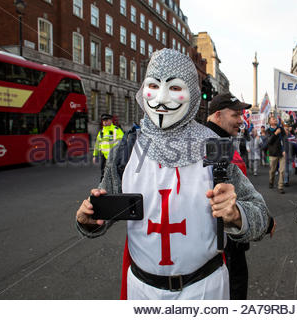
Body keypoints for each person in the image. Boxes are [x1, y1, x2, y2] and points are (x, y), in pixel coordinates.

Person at [75, 49, 271, 300]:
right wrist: (88, 220)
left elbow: (260, 216)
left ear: (192, 94)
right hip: (142, 292)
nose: (161, 98)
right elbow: (104, 215)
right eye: (154, 86)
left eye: (174, 88)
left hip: (205, 290)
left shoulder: (215, 146)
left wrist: (236, 214)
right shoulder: (125, 150)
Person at [206, 93, 275, 300]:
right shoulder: (212, 144)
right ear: (218, 115)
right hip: (223, 245)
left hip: (230, 236)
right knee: (233, 291)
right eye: (236, 115)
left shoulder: (222, 140)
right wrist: (264, 220)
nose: (241, 120)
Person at [92, 114, 124, 182]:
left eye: (106, 121)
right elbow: (97, 144)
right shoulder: (101, 132)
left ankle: (116, 187)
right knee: (103, 172)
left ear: (111, 120)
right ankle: (102, 186)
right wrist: (95, 155)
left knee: (114, 172)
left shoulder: (116, 130)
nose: (105, 123)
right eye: (103, 121)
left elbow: (122, 143)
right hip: (104, 156)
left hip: (114, 156)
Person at [266, 116, 286, 194]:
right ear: (269, 122)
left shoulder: (281, 129)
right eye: (273, 119)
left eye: (275, 119)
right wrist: (275, 133)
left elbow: (285, 140)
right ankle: (271, 182)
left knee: (282, 171)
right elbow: (269, 141)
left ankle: (280, 186)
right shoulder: (268, 131)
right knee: (272, 170)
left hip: (281, 153)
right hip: (273, 153)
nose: (275, 120)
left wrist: (285, 149)